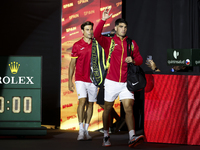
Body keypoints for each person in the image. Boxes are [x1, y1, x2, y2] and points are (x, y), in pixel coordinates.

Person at [94, 7, 144, 147]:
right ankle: (105, 135)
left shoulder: (131, 43)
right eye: (121, 27)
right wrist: (103, 19)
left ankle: (131, 136)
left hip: (126, 83)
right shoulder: (109, 42)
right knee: (108, 109)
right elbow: (97, 35)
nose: (123, 29)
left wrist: (133, 60)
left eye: (125, 27)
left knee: (128, 108)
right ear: (116, 28)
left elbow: (139, 59)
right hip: (111, 82)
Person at [68, 21, 98, 141]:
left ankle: (86, 130)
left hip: (93, 80)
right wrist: (69, 81)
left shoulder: (96, 44)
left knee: (90, 104)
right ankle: (80, 130)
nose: (90, 32)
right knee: (82, 101)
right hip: (80, 78)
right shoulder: (77, 45)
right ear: (82, 31)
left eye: (91, 29)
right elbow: (72, 64)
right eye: (87, 29)